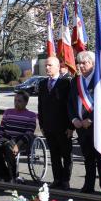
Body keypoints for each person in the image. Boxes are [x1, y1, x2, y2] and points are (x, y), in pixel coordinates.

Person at [68, 51, 101, 195]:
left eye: (85, 63)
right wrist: (74, 120)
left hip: (96, 125)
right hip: (80, 127)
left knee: (100, 158)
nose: (81, 66)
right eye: (79, 63)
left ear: (92, 63)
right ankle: (88, 185)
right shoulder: (75, 81)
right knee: (88, 157)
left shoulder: (100, 79)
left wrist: (90, 119)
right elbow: (71, 103)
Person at [38, 56, 73, 190]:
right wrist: (41, 124)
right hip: (48, 127)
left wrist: (71, 126)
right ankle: (57, 179)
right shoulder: (42, 84)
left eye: (50, 65)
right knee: (54, 155)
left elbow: (70, 106)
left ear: (58, 67)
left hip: (64, 127)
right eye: (46, 65)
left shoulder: (66, 83)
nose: (47, 67)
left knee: (66, 155)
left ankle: (65, 179)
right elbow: (41, 106)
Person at [0, 90, 36, 182]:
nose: (16, 103)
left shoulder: (32, 115)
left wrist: (18, 145)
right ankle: (2, 174)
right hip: (6, 138)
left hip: (21, 141)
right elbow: (2, 129)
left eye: (19, 101)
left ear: (26, 102)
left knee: (8, 147)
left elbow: (29, 133)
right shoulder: (8, 112)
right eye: (15, 100)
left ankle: (13, 176)